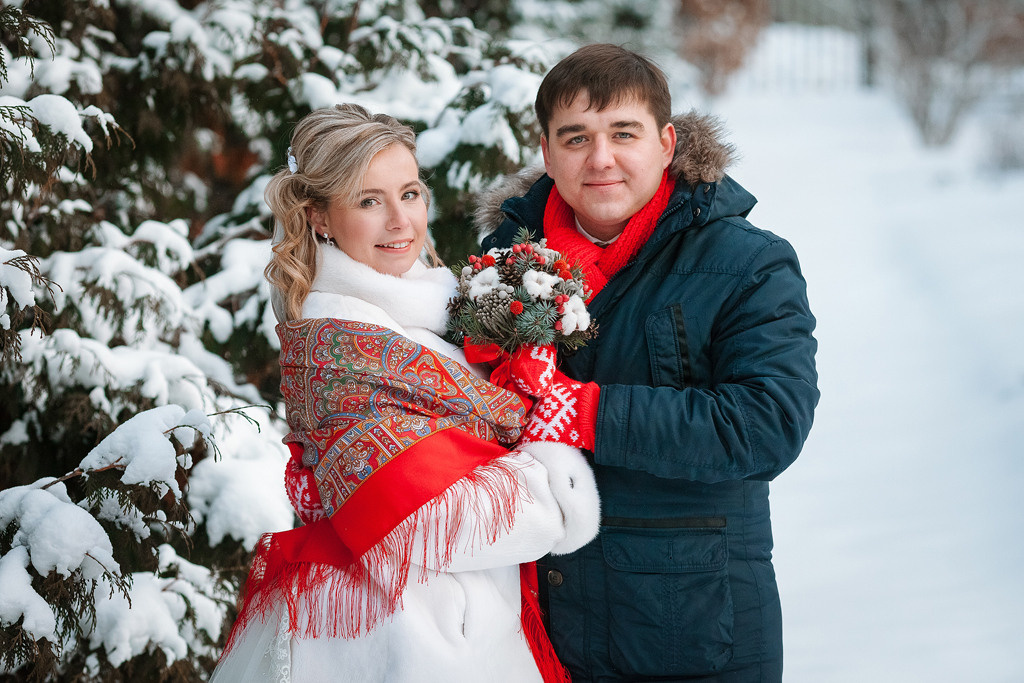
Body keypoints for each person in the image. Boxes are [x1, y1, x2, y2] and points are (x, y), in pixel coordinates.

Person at [212, 103, 601, 683]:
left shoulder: (427, 305)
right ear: (320, 216)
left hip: (459, 626)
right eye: (369, 201)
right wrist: (550, 468)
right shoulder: (342, 346)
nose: (401, 221)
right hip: (394, 643)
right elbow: (418, 522)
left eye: (411, 193)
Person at [476, 44, 819, 682]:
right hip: (534, 628)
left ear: (666, 143)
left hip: (689, 628)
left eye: (623, 133)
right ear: (547, 154)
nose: (600, 159)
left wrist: (582, 413)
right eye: (575, 137)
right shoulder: (500, 268)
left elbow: (767, 423)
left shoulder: (749, 264)